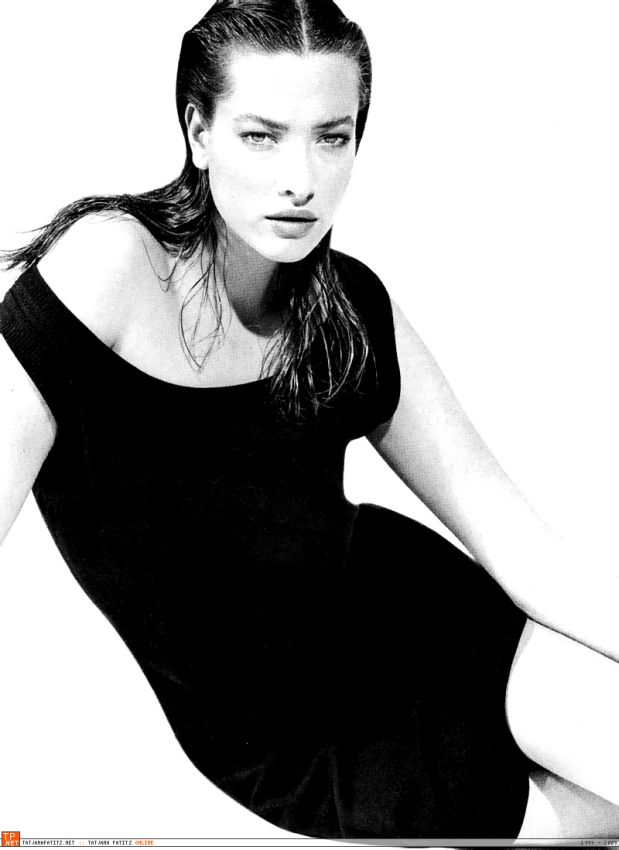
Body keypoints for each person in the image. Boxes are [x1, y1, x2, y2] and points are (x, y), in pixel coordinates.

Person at [1, 0, 619, 842]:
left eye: (332, 137)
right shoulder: (106, 270)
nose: (301, 178)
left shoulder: (348, 307)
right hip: (299, 743)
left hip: (425, 616)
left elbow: (521, 548)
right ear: (198, 132)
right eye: (261, 136)